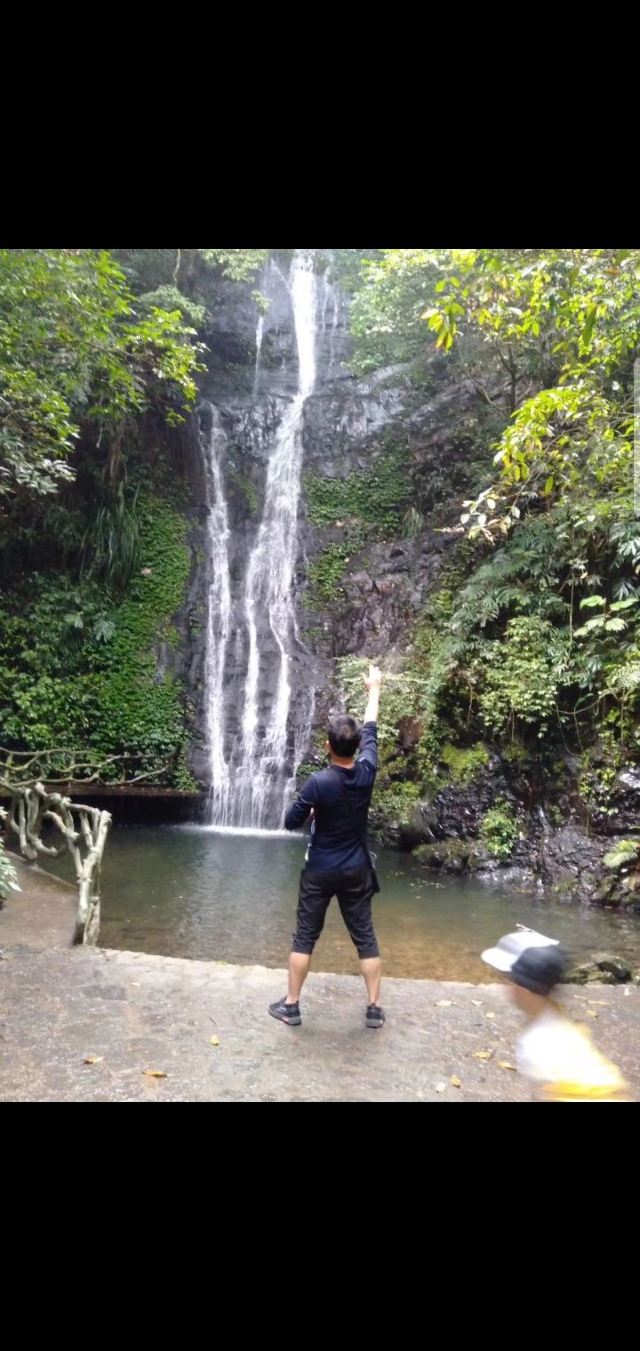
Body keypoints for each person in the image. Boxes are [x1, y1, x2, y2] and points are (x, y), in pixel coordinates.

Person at [269, 664, 384, 1030]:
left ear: (327, 746)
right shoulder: (366, 772)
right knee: (365, 937)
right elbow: (372, 729)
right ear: (357, 748)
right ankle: (374, 1008)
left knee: (305, 937)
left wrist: (311, 808)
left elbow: (290, 821)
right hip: (355, 868)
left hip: (320, 869)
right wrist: (375, 689)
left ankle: (291, 1005)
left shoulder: (318, 783)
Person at [481, 927, 630, 1102]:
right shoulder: (554, 1015)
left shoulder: (537, 1044)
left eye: (506, 978)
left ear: (521, 989)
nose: (503, 983)